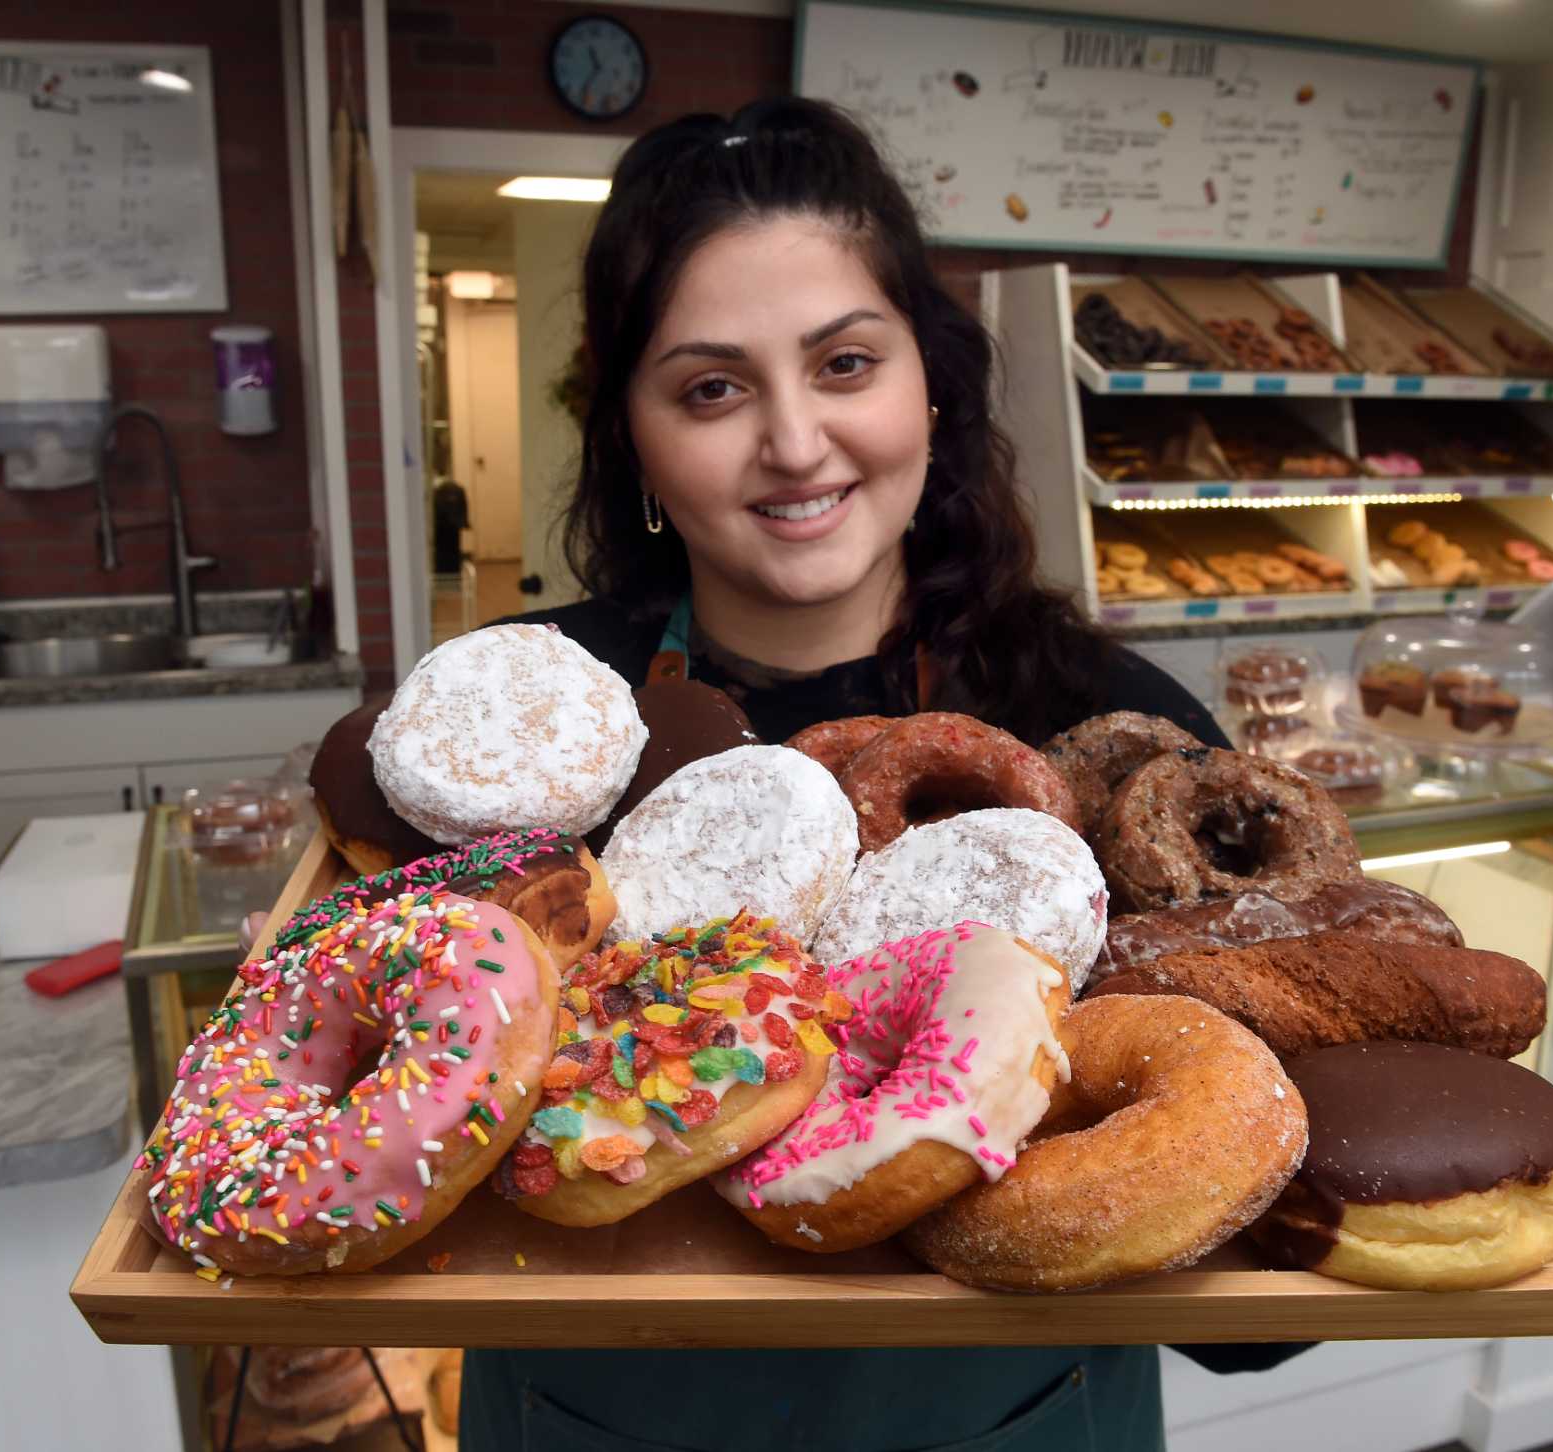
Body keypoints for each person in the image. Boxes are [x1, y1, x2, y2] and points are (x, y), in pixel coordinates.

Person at [463, 96, 1295, 1451]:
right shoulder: (534, 727)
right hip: (596, 1410)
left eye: (845, 363)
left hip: (1017, 1417)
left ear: (933, 380)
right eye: (712, 388)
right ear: (633, 435)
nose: (794, 443)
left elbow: (1250, 1280)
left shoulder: (1106, 732)